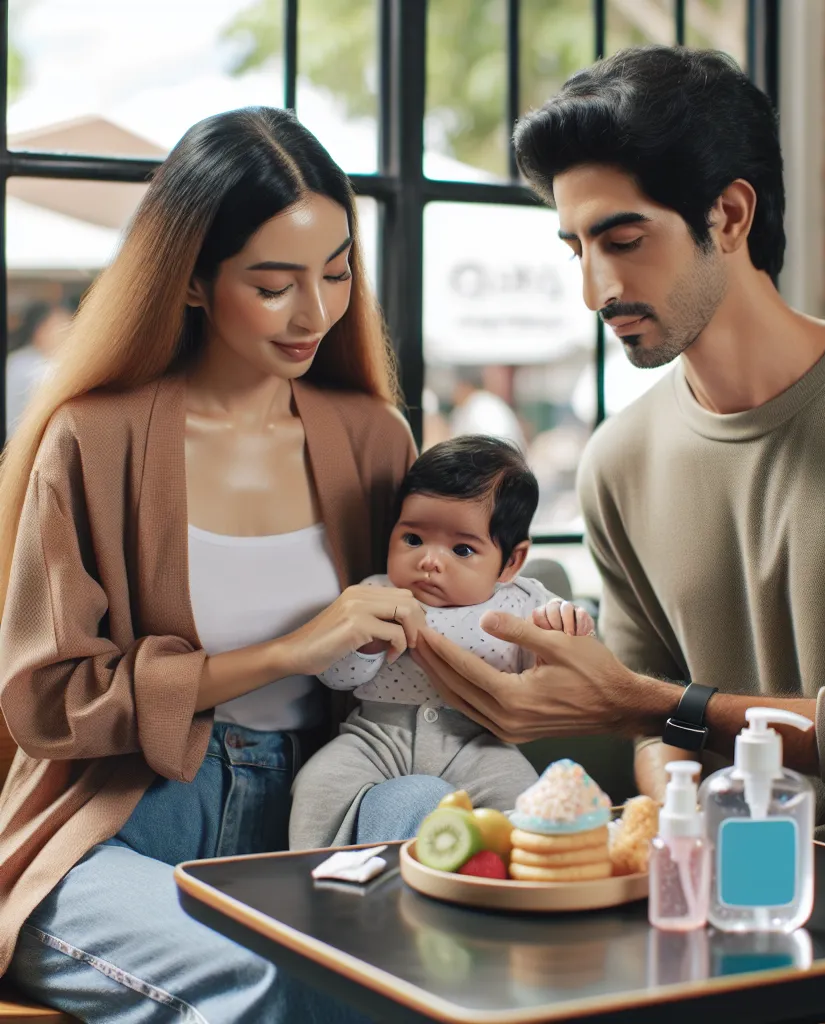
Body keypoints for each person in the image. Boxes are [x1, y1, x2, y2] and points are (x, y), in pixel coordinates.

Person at [410, 47, 825, 1023]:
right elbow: (664, 742)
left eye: (622, 239)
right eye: (576, 249)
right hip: (742, 858)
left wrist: (652, 707)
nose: (595, 288)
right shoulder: (619, 459)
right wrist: (666, 781)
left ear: (728, 216)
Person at [0, 107, 450, 1022]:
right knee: (272, 987)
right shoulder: (95, 439)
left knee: (425, 947)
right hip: (124, 815)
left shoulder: (372, 438)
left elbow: (412, 648)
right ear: (195, 281)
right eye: (275, 283)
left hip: (320, 802)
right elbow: (50, 696)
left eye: (336, 271)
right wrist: (288, 652)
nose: (316, 311)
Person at [289, 435, 594, 850]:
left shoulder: (527, 602)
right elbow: (334, 675)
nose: (429, 561)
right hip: (377, 736)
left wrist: (567, 628)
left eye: (462, 549)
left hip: (478, 741)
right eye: (413, 539)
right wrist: (366, 647)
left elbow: (564, 669)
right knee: (319, 781)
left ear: (511, 562)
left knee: (525, 802)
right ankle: (317, 874)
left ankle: (519, 882)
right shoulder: (375, 593)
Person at [4, 299, 73, 436]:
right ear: (40, 331)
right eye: (61, 327)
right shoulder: (23, 364)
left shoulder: (49, 361)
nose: (68, 334)